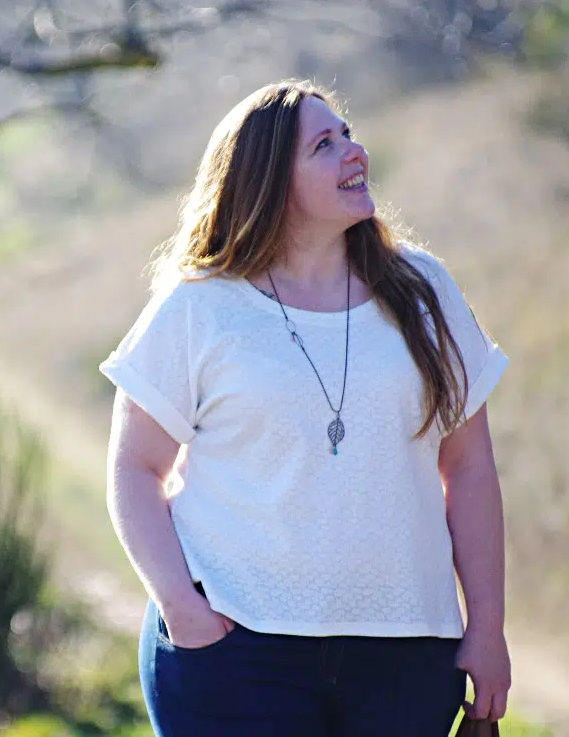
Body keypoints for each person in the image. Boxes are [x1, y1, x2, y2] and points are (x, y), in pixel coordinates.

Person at [99, 80, 512, 737]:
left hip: (406, 652)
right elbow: (134, 469)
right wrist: (182, 608)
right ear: (268, 184)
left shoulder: (425, 289)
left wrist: (486, 629)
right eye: (325, 144)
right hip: (236, 647)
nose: (355, 152)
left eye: (348, 134)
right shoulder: (201, 306)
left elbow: (469, 470)